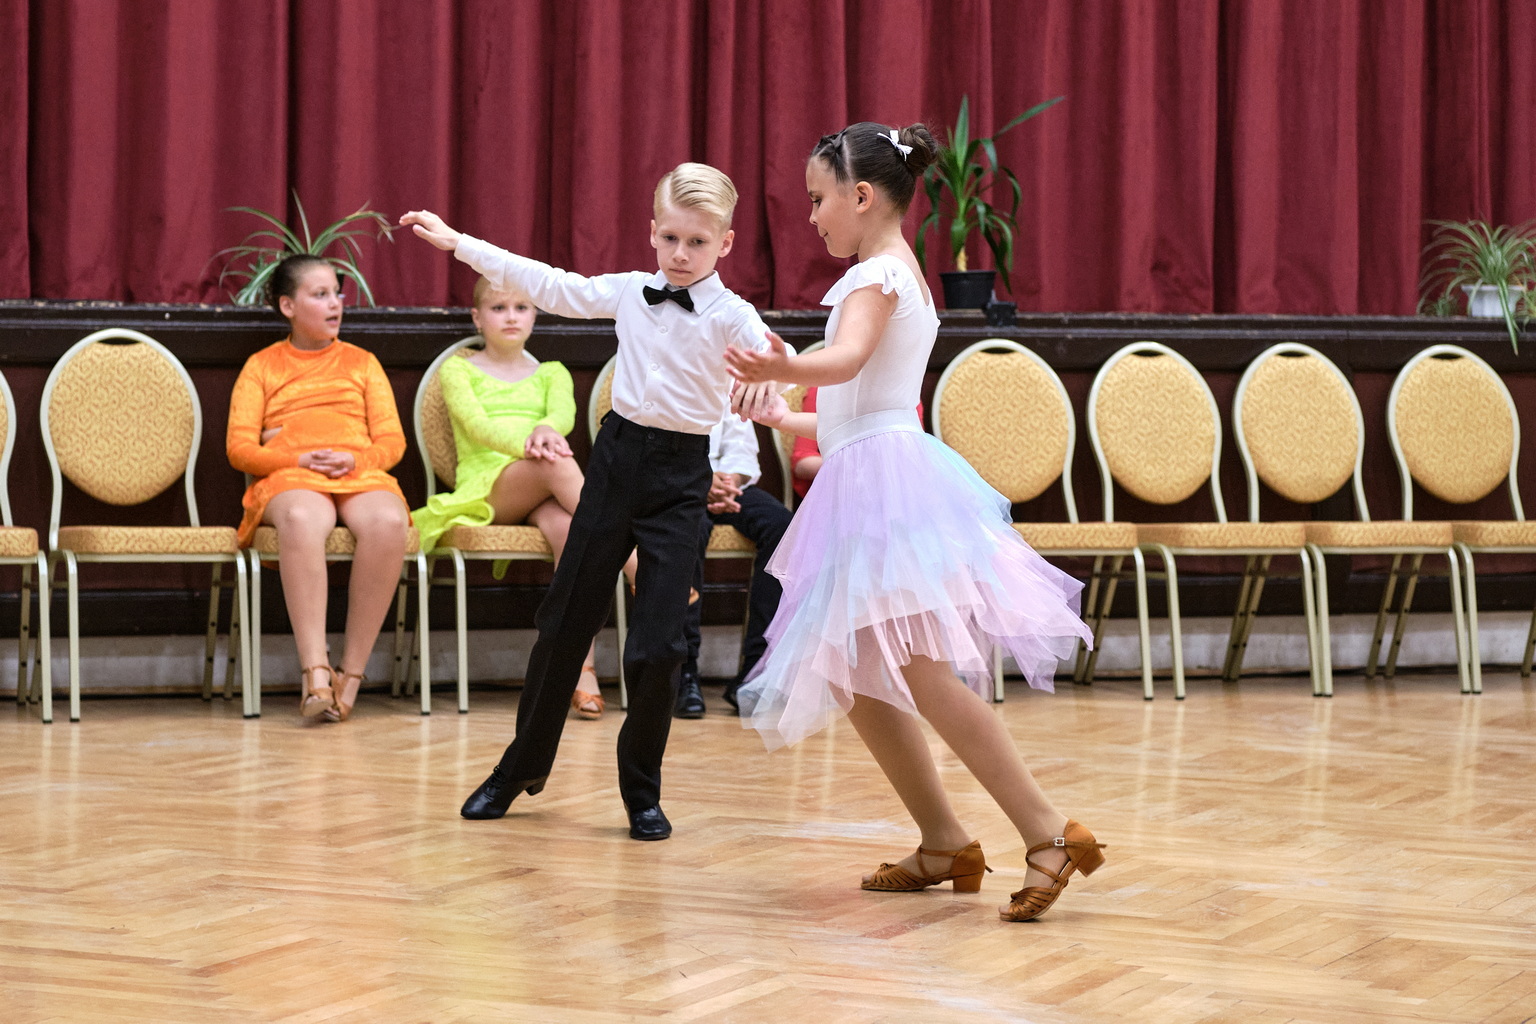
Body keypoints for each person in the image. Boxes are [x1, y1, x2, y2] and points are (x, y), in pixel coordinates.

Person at [726, 122, 1103, 923]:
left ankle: (1047, 833)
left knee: (924, 673)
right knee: (858, 672)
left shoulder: (875, 278)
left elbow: (847, 362)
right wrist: (784, 413)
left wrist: (782, 366)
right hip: (872, 472)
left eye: (818, 199)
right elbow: (856, 409)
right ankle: (942, 839)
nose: (811, 216)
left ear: (862, 196)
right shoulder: (893, 272)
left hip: (883, 490)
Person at [401, 162, 780, 841]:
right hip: (614, 467)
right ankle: (518, 768)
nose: (681, 254)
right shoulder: (631, 291)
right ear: (652, 232)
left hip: (681, 482)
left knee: (659, 645)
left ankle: (642, 794)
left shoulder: (734, 316)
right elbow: (548, 283)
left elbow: (773, 362)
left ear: (724, 243)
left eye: (698, 242)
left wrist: (766, 383)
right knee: (564, 624)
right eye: (671, 238)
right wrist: (460, 243)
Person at [413, 277, 639, 720]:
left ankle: (581, 670)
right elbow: (477, 425)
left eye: (521, 307)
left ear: (535, 315)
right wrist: (532, 444)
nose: (511, 317)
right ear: (477, 317)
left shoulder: (552, 372)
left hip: (542, 487)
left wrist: (545, 431)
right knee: (555, 463)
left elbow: (562, 415)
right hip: (487, 489)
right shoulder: (459, 369)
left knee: (571, 531)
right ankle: (638, 564)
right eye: (498, 308)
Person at [227, 254, 412, 723]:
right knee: (301, 517)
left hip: (357, 471)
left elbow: (392, 442)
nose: (335, 304)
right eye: (320, 294)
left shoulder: (362, 363)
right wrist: (296, 457)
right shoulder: (261, 366)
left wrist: (357, 459)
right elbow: (240, 448)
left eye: (337, 293)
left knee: (389, 521)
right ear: (288, 306)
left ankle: (351, 674)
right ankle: (315, 672)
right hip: (293, 474)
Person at [674, 411, 793, 718]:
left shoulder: (729, 384)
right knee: (687, 531)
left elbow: (742, 447)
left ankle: (754, 673)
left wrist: (729, 482)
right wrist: (701, 481)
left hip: (728, 485)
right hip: (675, 487)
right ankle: (683, 672)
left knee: (782, 526)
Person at [791, 387, 921, 501]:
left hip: (897, 491)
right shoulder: (823, 389)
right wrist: (858, 469)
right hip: (840, 492)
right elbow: (802, 463)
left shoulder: (905, 391)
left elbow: (914, 456)